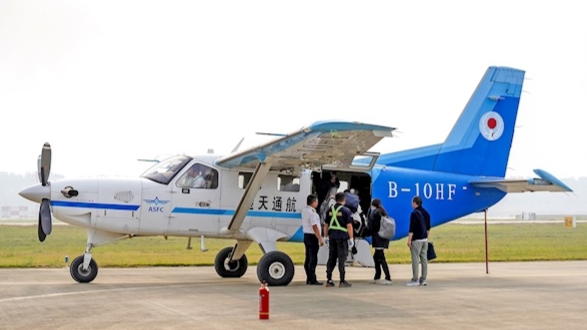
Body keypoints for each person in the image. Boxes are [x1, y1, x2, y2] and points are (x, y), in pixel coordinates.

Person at [324, 192, 354, 288]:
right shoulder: (346, 211)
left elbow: (325, 225)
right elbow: (349, 226)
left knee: (331, 258)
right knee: (341, 259)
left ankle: (329, 279)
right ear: (344, 200)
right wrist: (351, 238)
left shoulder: (329, 210)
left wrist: (325, 236)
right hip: (342, 238)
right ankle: (342, 281)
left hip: (332, 237)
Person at [406, 196, 431, 286]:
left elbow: (411, 228)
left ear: (415, 203)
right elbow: (428, 228)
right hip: (424, 239)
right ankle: (423, 279)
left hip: (416, 240)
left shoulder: (414, 214)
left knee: (415, 259)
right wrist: (426, 237)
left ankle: (415, 279)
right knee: (424, 259)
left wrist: (409, 240)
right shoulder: (426, 213)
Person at [367, 198, 392, 285]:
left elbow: (371, 227)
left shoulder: (375, 214)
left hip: (378, 238)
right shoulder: (383, 212)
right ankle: (377, 276)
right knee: (376, 257)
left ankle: (388, 277)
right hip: (383, 238)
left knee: (381, 258)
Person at [302, 194, 325, 285]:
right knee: (313, 258)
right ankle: (312, 278)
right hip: (312, 236)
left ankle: (308, 277)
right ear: (314, 202)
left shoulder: (305, 210)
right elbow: (314, 226)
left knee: (308, 257)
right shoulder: (312, 213)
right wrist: (320, 238)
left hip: (306, 235)